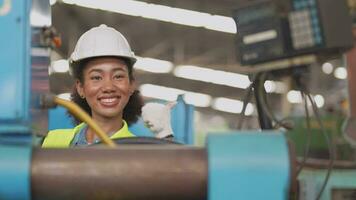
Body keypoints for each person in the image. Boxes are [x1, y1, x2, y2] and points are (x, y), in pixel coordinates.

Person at [42, 24, 143, 148]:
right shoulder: (52, 143)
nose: (108, 87)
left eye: (118, 76)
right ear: (81, 88)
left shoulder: (138, 151)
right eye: (96, 77)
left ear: (131, 85)